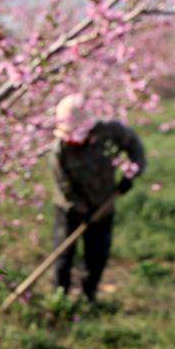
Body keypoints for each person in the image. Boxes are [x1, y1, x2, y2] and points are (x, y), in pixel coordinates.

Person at [50, 94, 146, 301]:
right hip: (69, 208)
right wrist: (81, 208)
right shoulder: (60, 149)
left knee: (97, 253)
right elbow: (65, 185)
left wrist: (131, 174)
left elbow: (135, 146)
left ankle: (88, 294)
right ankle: (59, 295)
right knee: (63, 254)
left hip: (104, 203)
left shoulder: (110, 133)